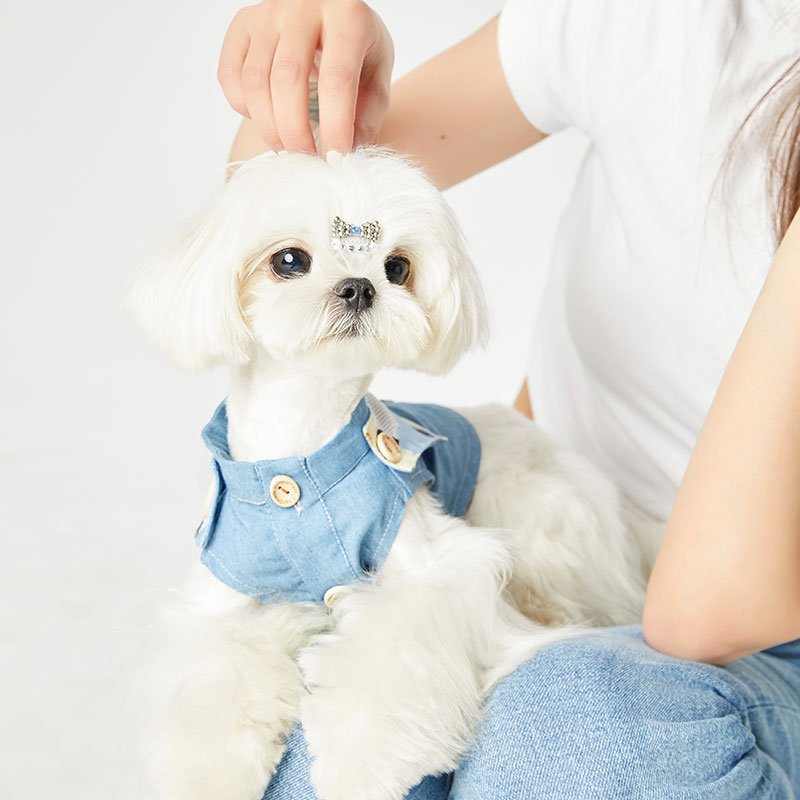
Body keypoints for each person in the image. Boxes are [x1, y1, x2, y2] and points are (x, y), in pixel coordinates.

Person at [214, 1, 800, 796]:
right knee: (303, 739)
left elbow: (706, 613)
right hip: (549, 533)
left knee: (577, 727)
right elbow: (267, 201)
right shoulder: (674, 21)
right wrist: (314, 85)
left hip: (747, 625)